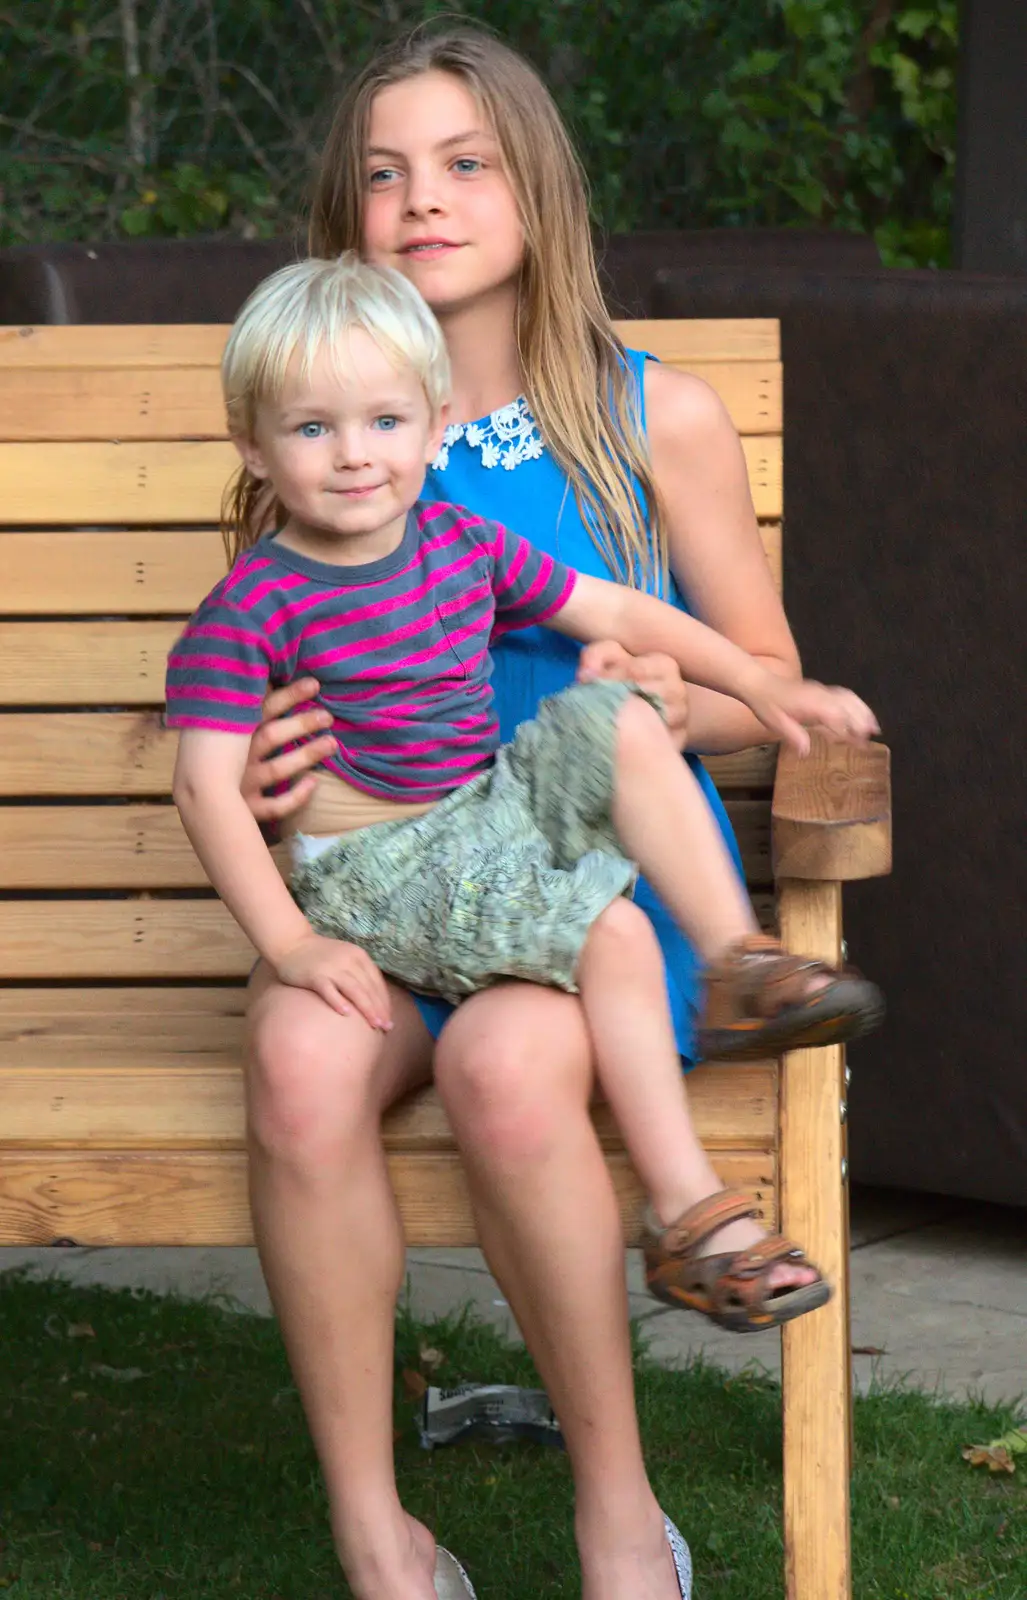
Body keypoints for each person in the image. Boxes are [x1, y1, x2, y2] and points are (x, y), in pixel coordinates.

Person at [215, 28, 871, 1600]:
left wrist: (664, 705)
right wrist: (250, 772)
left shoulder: (652, 417)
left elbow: (760, 674)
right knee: (300, 1059)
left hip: (587, 876)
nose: (419, 201)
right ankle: (378, 1540)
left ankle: (617, 1520)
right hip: (390, 875)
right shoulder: (331, 421)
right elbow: (246, 669)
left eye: (462, 165)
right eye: (380, 174)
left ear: (536, 192)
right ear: (343, 213)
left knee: (514, 1065)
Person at [168, 245, 882, 1278]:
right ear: (255, 445)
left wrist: (765, 688)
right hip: (380, 874)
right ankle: (686, 1211)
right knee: (614, 930)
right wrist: (289, 944)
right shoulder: (257, 604)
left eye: (383, 421)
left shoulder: (455, 539)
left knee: (622, 711)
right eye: (314, 428)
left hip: (478, 813)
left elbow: (623, 609)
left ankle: (740, 963)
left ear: (429, 421)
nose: (356, 454)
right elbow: (203, 787)